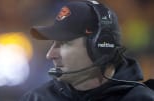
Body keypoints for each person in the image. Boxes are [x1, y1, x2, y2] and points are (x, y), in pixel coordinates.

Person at [20, 0, 154, 101]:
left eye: (65, 43)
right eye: (53, 43)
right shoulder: (36, 98)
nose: (50, 55)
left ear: (101, 47)